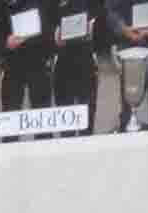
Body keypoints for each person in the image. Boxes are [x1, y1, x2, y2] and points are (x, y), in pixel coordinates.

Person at [0, 1, 54, 138]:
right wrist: (4, 43)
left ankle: (46, 156)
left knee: (42, 117)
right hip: (13, 59)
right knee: (10, 116)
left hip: (39, 57)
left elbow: (52, 11)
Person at [48, 3, 108, 134]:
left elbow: (102, 14)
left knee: (86, 116)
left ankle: (86, 145)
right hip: (63, 60)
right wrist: (55, 34)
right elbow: (46, 16)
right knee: (65, 115)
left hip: (86, 58)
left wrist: (92, 27)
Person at [109, 3, 148, 134]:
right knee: (129, 99)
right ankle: (126, 139)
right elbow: (111, 9)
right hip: (128, 48)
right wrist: (124, 29)